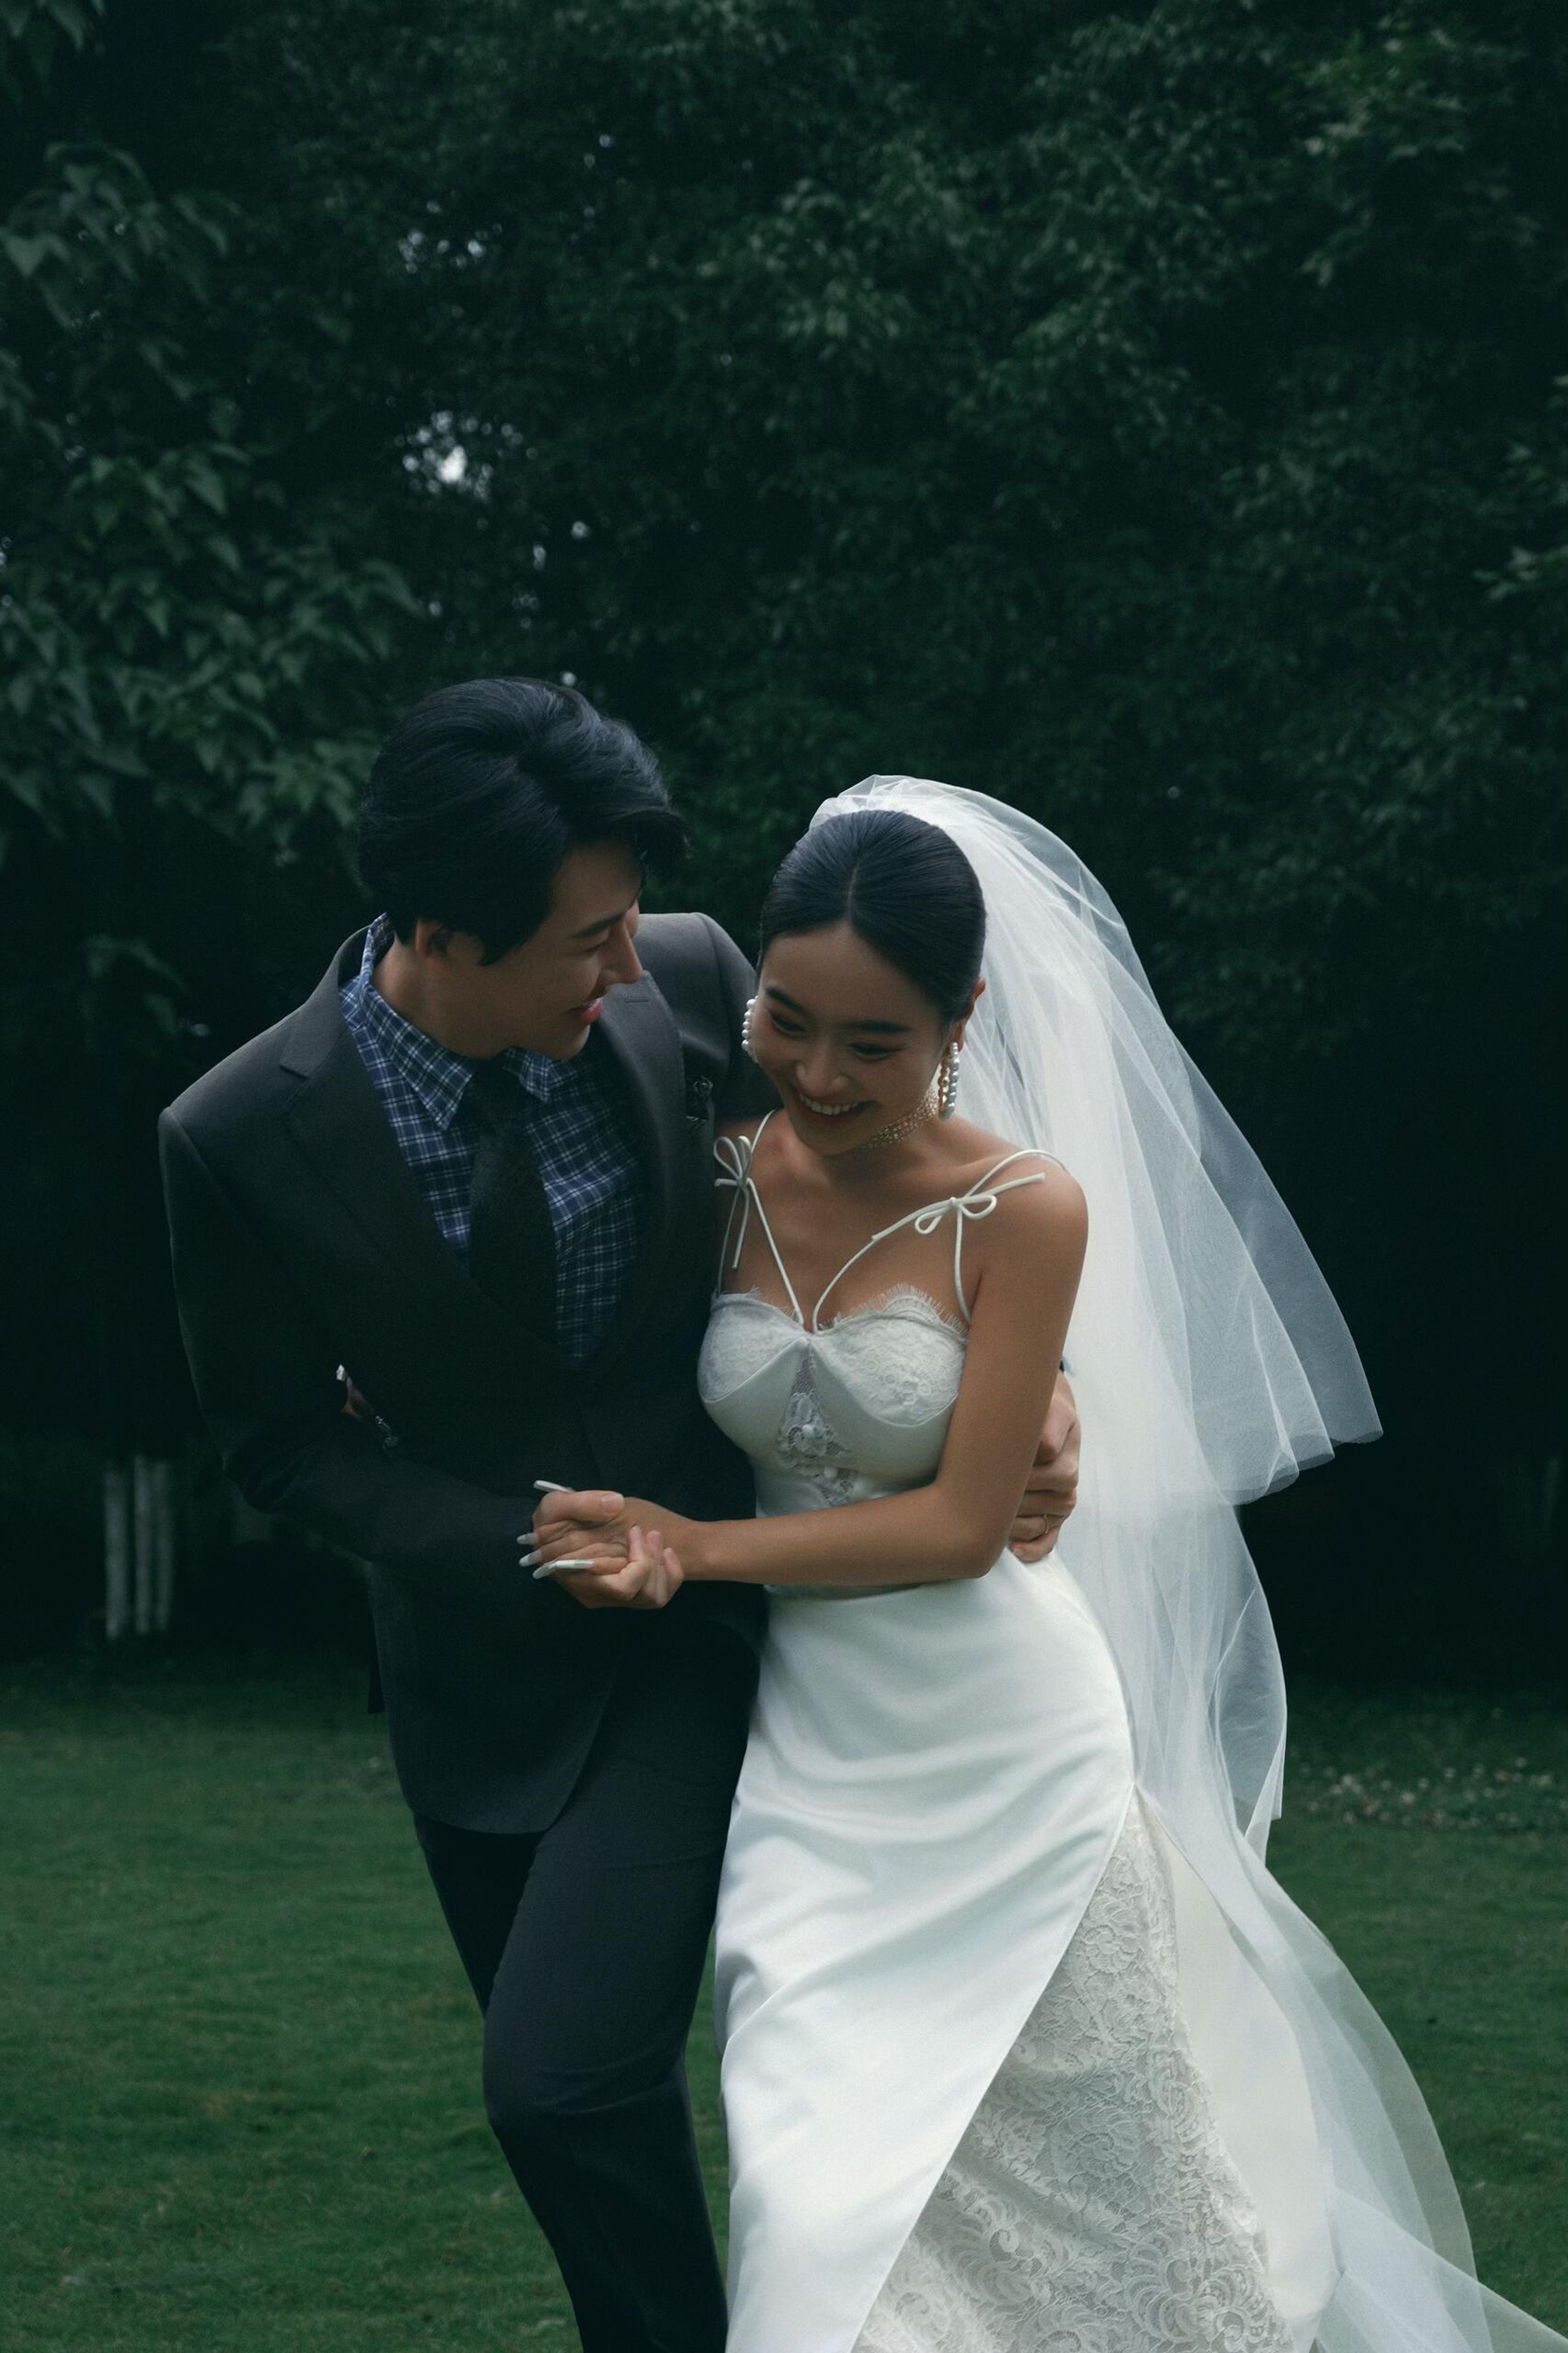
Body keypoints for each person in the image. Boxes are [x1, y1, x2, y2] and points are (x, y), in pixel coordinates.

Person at [533, 778, 1568, 2353]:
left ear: (962, 1023)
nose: (820, 1073)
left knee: (1113, 2215)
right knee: (815, 2207)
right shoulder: (716, 1171)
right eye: (787, 1022)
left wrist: (691, 1547)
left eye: (874, 1043)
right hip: (812, 1768)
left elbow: (964, 1528)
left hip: (1008, 1748)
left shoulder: (1022, 1208)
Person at [158, 686, 1078, 2353]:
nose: (631, 964)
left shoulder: (705, 979)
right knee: (586, 2115)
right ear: (442, 931)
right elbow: (278, 1443)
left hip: (716, 1621)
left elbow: (899, 1173)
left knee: (556, 2079)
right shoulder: (236, 1135)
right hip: (479, 1669)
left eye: (631, 921)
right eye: (589, 941)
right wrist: (523, 1545)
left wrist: (1031, 1389)